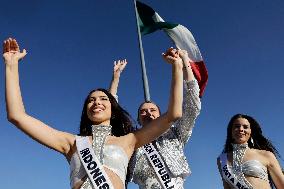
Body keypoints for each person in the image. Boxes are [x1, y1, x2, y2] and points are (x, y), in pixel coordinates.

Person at [3, 38, 184, 189]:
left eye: (103, 99)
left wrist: (177, 66)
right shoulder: (70, 142)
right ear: (86, 110)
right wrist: (11, 65)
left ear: (113, 108)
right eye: (91, 100)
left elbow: (173, 114)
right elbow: (17, 116)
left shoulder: (129, 140)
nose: (97, 102)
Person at [109, 48, 201, 189]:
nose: (148, 113)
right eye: (143, 112)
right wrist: (116, 78)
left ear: (161, 115)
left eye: (153, 110)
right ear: (139, 119)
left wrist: (185, 65)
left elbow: (192, 106)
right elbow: (111, 115)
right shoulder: (133, 139)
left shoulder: (176, 133)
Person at [217, 114, 284, 189]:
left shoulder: (266, 155)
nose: (241, 129)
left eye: (245, 127)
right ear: (231, 132)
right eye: (237, 126)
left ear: (250, 132)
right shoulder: (222, 159)